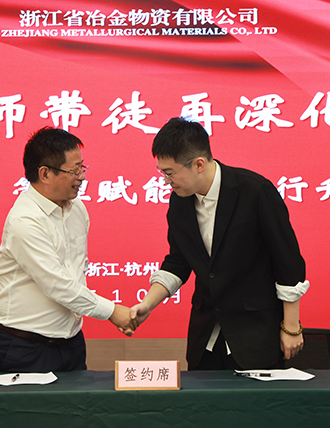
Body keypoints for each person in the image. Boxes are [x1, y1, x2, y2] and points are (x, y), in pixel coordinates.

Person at [130, 117, 309, 370]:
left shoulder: (254, 191)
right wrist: (147, 304)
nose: (167, 181)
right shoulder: (180, 201)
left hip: (254, 334)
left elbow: (287, 260)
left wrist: (291, 326)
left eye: (170, 173)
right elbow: (178, 261)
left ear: (199, 164)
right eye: (162, 173)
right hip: (206, 336)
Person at [0, 127, 134, 373]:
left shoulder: (77, 209)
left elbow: (76, 270)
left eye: (82, 168)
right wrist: (111, 311)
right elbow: (56, 284)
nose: (82, 177)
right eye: (74, 170)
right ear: (45, 173)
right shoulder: (25, 220)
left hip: (71, 342)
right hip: (24, 346)